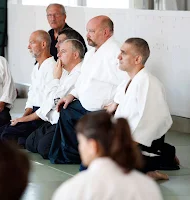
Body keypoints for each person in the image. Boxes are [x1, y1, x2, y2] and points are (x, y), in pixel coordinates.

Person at [49, 15, 126, 164]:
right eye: (87, 31)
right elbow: (82, 80)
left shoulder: (116, 52)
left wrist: (116, 102)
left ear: (105, 32)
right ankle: (73, 154)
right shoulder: (91, 54)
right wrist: (71, 95)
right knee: (66, 109)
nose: (87, 35)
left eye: (91, 31)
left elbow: (127, 80)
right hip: (84, 105)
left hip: (102, 110)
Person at [105, 37, 178, 180]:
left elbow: (154, 121)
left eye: (124, 53)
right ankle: (161, 156)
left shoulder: (149, 83)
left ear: (137, 59)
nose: (118, 57)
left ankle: (156, 161)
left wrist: (127, 144)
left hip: (141, 142)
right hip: (128, 137)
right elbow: (120, 99)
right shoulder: (129, 80)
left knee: (112, 169)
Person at [52, 111, 163, 200]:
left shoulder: (73, 189)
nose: (79, 148)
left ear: (93, 146)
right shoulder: (147, 186)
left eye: (81, 142)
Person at [14, 39, 83, 158]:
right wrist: (25, 118)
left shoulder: (80, 73)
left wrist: (56, 79)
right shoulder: (65, 72)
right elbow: (47, 100)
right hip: (51, 120)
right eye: (59, 51)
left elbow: (54, 100)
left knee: (44, 149)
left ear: (75, 55)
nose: (58, 55)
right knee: (30, 143)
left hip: (64, 123)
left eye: (63, 52)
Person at [0, 30, 56, 146]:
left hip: (42, 117)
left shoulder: (53, 67)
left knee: (6, 135)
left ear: (43, 44)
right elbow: (31, 97)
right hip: (32, 113)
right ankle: (26, 140)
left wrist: (25, 120)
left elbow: (48, 104)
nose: (28, 46)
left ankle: (29, 140)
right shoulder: (36, 67)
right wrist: (23, 116)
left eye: (32, 42)